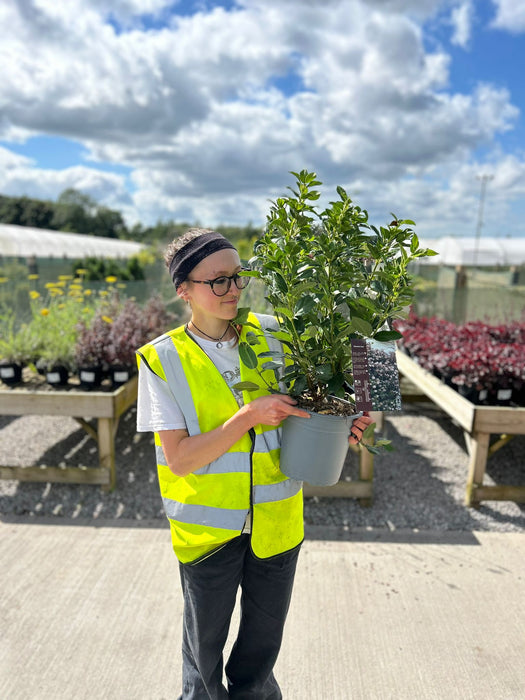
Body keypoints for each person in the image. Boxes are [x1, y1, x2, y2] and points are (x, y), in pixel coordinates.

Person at [136, 228, 373, 699]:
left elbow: (362, 345)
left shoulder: (270, 333)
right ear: (183, 290)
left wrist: (363, 411)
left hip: (277, 523)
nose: (233, 290)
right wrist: (247, 416)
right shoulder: (162, 359)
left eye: (238, 277)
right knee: (204, 656)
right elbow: (180, 460)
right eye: (217, 281)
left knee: (261, 653)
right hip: (207, 536)